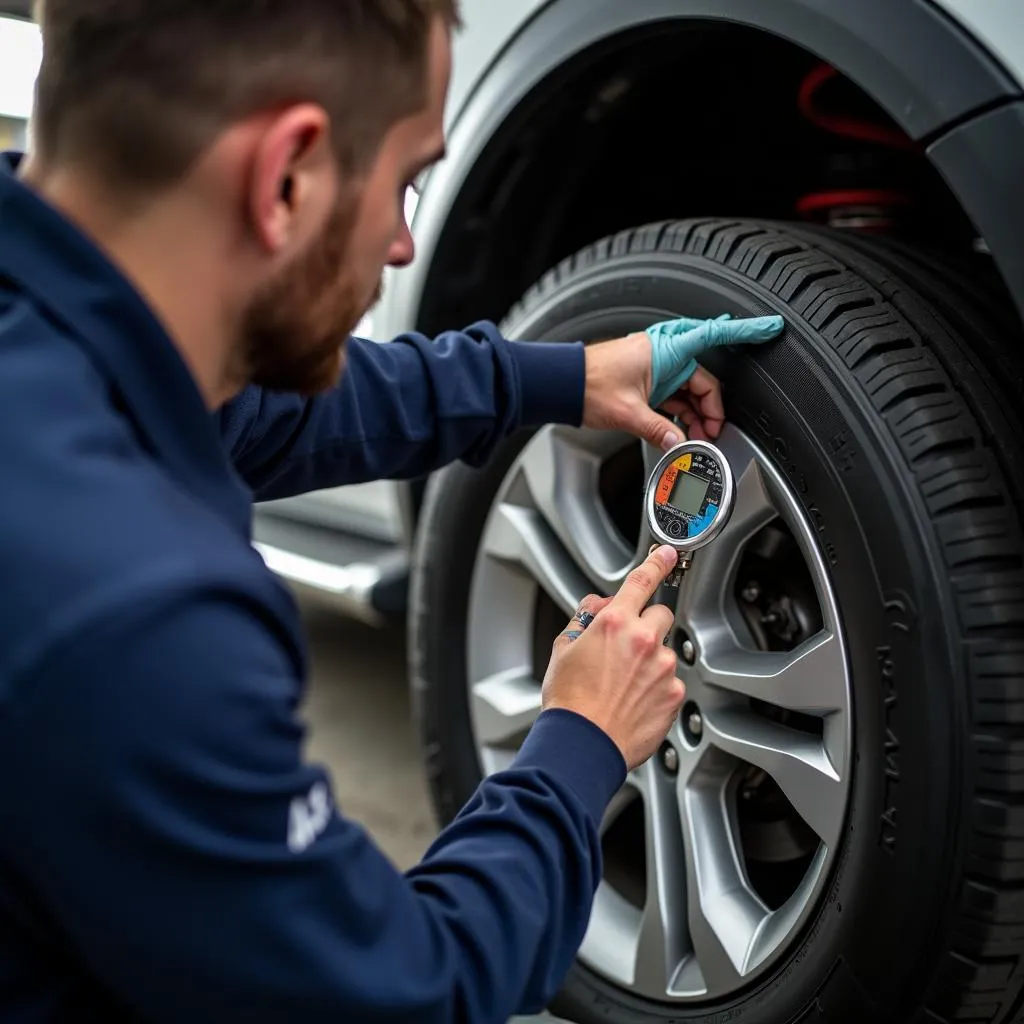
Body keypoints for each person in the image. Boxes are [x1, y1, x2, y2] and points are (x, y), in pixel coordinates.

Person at [0, 2, 785, 1022]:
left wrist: (562, 375)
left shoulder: (63, 359)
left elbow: (268, 415)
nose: (409, 244)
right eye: (408, 179)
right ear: (287, 177)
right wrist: (579, 743)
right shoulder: (136, 613)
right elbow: (402, 996)